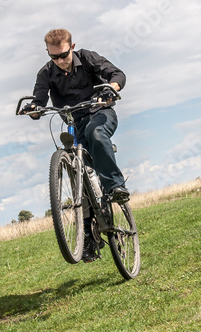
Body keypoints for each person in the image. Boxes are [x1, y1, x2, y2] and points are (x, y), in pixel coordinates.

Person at [20, 28, 129, 263]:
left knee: (96, 134)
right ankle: (90, 237)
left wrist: (111, 88)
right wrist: (34, 109)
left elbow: (117, 74)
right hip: (73, 122)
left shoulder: (88, 58)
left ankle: (115, 187)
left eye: (63, 55)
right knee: (78, 176)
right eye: (53, 57)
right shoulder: (46, 73)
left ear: (72, 46)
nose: (59, 61)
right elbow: (39, 98)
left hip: (100, 114)